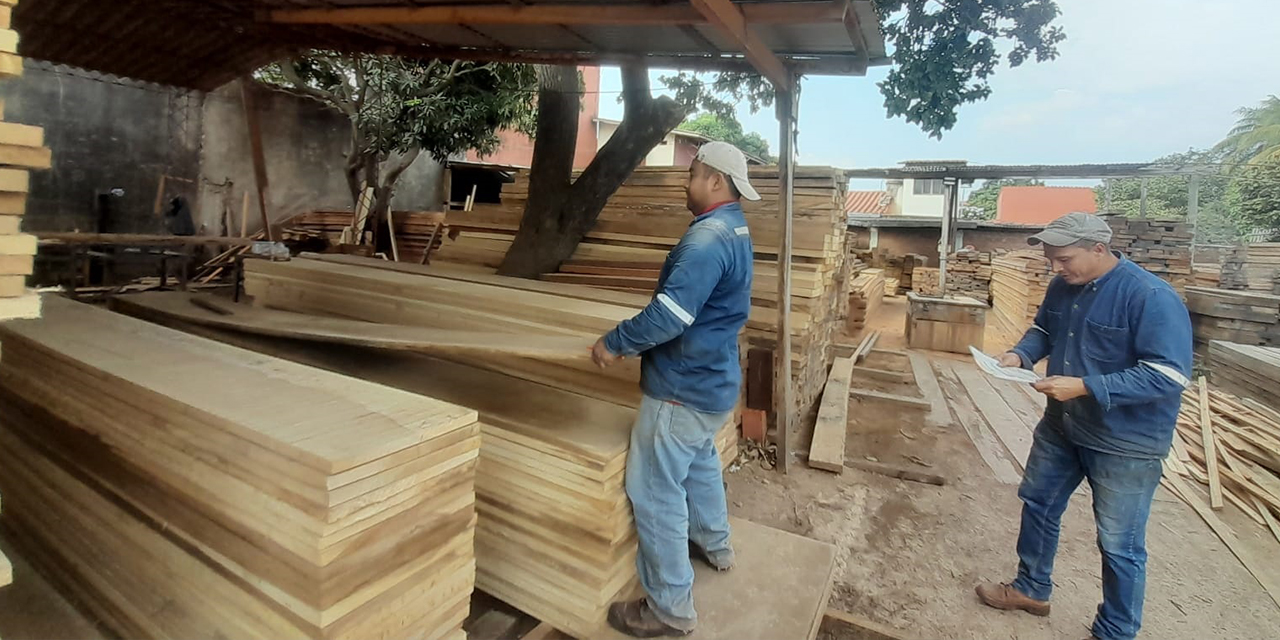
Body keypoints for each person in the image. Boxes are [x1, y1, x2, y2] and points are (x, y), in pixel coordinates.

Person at [974, 212, 1193, 640]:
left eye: (1065, 259)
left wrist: (1086, 386)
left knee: (1119, 542)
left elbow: (1169, 375)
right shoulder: (1063, 286)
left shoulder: (1150, 296)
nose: (1056, 268)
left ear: (1099, 249)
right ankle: (1032, 588)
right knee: (1038, 502)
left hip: (1125, 442)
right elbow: (1043, 330)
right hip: (1064, 427)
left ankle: (1115, 630)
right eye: (1051, 260)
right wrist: (1019, 355)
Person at [590, 141, 757, 638]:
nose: (686, 184)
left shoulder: (706, 240)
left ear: (716, 182)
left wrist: (615, 342)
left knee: (655, 490)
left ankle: (668, 608)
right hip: (715, 380)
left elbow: (671, 315)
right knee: (701, 462)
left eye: (692, 175)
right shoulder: (737, 229)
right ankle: (714, 544)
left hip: (682, 388)